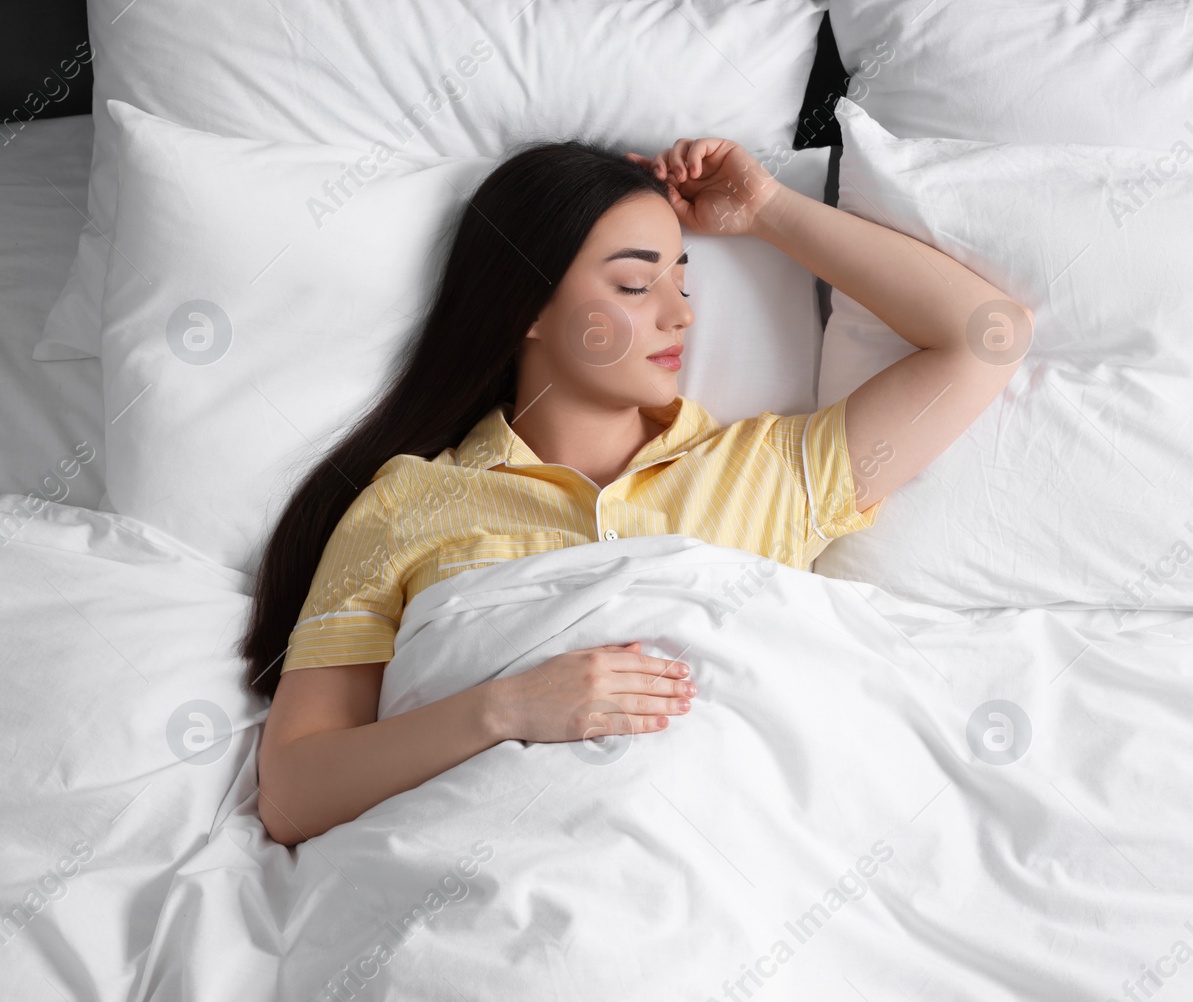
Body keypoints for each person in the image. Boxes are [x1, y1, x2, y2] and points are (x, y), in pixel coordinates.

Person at [240, 136, 1034, 845]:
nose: (678, 315)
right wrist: (506, 710)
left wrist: (766, 209)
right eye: (632, 286)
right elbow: (296, 794)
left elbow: (988, 334)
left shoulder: (768, 470)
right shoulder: (405, 501)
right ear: (528, 305)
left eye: (683, 283)